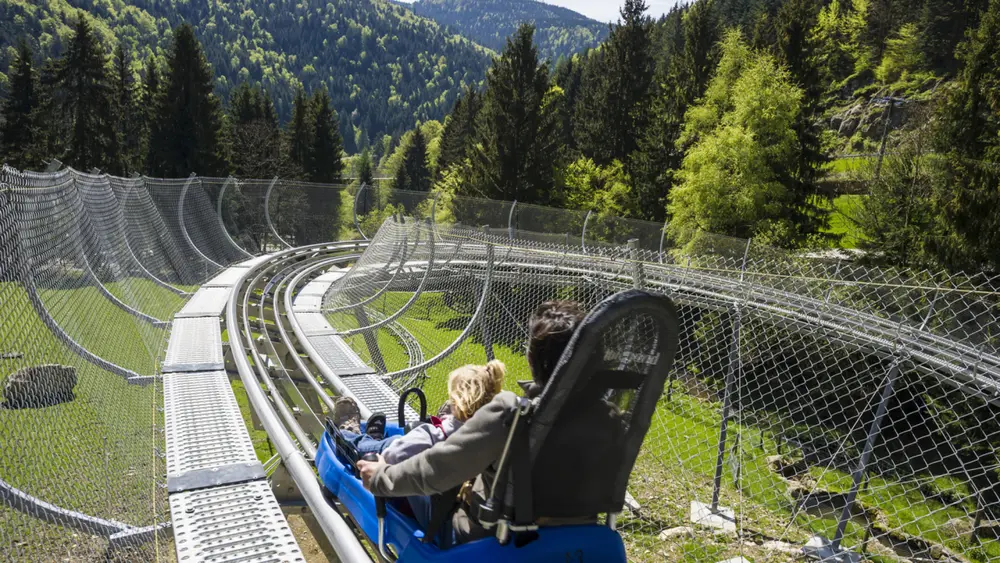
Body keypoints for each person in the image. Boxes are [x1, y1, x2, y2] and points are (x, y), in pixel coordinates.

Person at [357, 300, 615, 547]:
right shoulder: (611, 419)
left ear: (533, 359)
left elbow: (437, 469)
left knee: (406, 462)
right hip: (578, 538)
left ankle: (355, 439)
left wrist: (381, 477)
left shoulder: (513, 415)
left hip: (487, 538)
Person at [331, 360, 506, 462]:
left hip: (405, 485)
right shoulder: (498, 434)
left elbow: (391, 457)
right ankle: (374, 439)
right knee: (403, 437)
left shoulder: (432, 438)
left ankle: (349, 432)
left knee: (391, 441)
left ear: (458, 402)